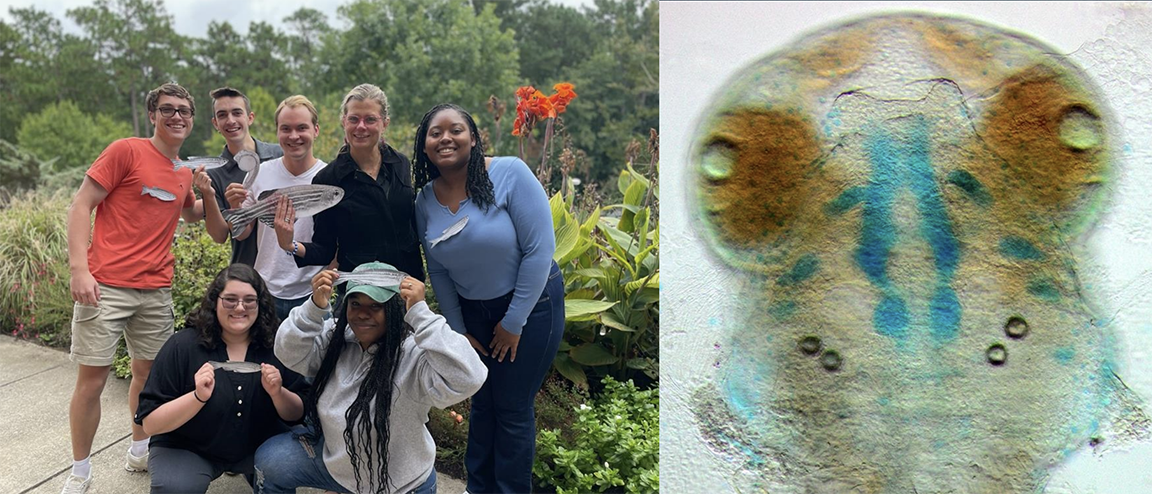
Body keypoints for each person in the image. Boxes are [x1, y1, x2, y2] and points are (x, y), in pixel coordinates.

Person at [62, 82, 209, 494]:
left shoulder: (183, 172)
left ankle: (139, 447)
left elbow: (189, 213)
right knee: (91, 381)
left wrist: (212, 197)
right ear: (152, 115)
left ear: (192, 119)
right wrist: (79, 269)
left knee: (147, 374)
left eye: (184, 110)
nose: (176, 116)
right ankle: (80, 471)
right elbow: (80, 204)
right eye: (167, 109)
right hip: (105, 285)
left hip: (156, 289)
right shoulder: (125, 151)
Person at [412, 104, 565, 494]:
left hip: (532, 308)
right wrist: (458, 332)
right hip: (473, 314)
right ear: (424, 147)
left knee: (512, 409)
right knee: (480, 403)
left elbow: (539, 250)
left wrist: (513, 324)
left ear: (474, 137)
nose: (445, 138)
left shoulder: (509, 173)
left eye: (456, 129)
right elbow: (439, 270)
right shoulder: (425, 200)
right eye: (435, 133)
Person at [254, 262, 487, 493]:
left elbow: (470, 376)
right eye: (355, 303)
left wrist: (420, 313)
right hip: (337, 469)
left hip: (403, 485)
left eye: (376, 306)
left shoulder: (414, 354)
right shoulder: (336, 339)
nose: (362, 314)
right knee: (271, 461)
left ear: (394, 310)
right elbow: (287, 351)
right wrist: (314, 307)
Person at [134, 264, 305, 493]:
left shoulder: (277, 346)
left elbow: (298, 414)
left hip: (258, 446)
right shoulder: (182, 346)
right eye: (230, 299)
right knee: (175, 487)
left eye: (249, 300)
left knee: (282, 467)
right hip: (188, 448)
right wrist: (196, 397)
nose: (240, 307)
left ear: (260, 304)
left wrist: (278, 393)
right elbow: (151, 424)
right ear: (215, 301)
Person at [281, 84, 424, 283]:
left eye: (370, 119)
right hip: (360, 292)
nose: (361, 126)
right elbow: (324, 250)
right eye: (354, 119)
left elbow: (413, 226)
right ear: (344, 122)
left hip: (407, 285)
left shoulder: (401, 163)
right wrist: (290, 244)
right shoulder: (328, 180)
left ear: (385, 123)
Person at [203, 95, 327, 321]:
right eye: (285, 129)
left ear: (316, 130)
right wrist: (236, 207)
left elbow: (337, 242)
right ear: (277, 132)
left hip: (312, 293)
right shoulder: (260, 172)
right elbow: (242, 234)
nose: (294, 136)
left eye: (302, 128)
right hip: (265, 290)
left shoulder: (328, 177)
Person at [195, 87, 284, 265]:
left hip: (289, 270)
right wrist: (208, 195)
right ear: (215, 123)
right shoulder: (213, 173)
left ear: (250, 117)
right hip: (246, 273)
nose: (230, 120)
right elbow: (219, 236)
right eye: (222, 115)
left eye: (237, 113)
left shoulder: (280, 154)